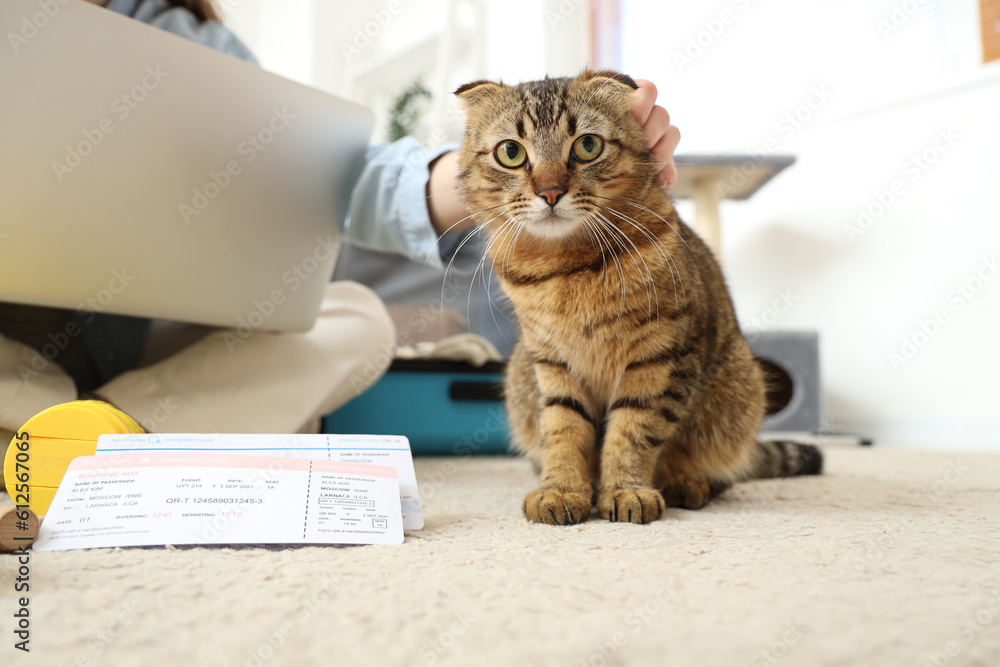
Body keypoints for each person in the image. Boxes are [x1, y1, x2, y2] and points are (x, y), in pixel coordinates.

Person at [0, 0, 680, 452]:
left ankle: (83, 433)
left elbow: (321, 177)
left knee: (356, 319)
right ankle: (113, 433)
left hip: (144, 348)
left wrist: (482, 173)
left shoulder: (190, 35)